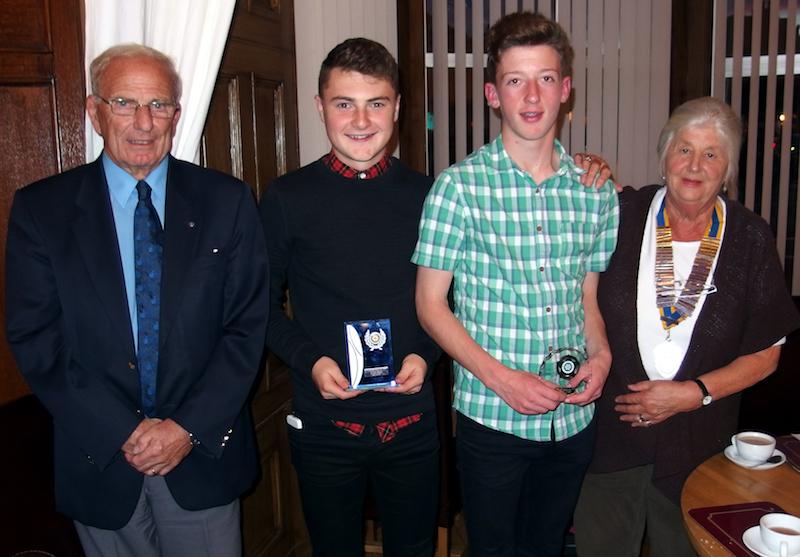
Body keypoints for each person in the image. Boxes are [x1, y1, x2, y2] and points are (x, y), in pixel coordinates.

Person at [5, 44, 268, 557]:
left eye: (159, 105)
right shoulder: (42, 211)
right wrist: (121, 429)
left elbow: (246, 326)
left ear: (177, 112)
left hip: (202, 457)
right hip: (99, 457)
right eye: (124, 102)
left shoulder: (227, 201)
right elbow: (36, 337)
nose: (144, 122)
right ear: (94, 111)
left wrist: (186, 428)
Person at [412, 11, 619, 557]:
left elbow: (587, 299)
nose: (532, 95)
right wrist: (503, 380)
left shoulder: (596, 192)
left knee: (549, 546)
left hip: (574, 420)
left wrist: (601, 357)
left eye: (546, 78)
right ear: (492, 93)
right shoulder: (456, 189)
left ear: (565, 89)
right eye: (515, 80)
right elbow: (430, 306)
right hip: (492, 419)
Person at [573, 97, 800, 557]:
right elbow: (557, 203)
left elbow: (767, 353)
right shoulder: (621, 214)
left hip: (699, 445)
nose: (695, 165)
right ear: (664, 157)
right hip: (611, 439)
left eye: (711, 154)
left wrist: (692, 393)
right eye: (684, 149)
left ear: (728, 168)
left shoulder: (749, 237)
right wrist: (581, 166)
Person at [260, 37, 441, 556]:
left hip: (411, 423)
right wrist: (310, 361)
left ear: (397, 107)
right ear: (321, 107)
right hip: (323, 426)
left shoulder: (430, 196)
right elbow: (259, 309)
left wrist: (425, 356)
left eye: (376, 103)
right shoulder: (286, 198)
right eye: (344, 103)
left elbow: (456, 300)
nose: (361, 120)